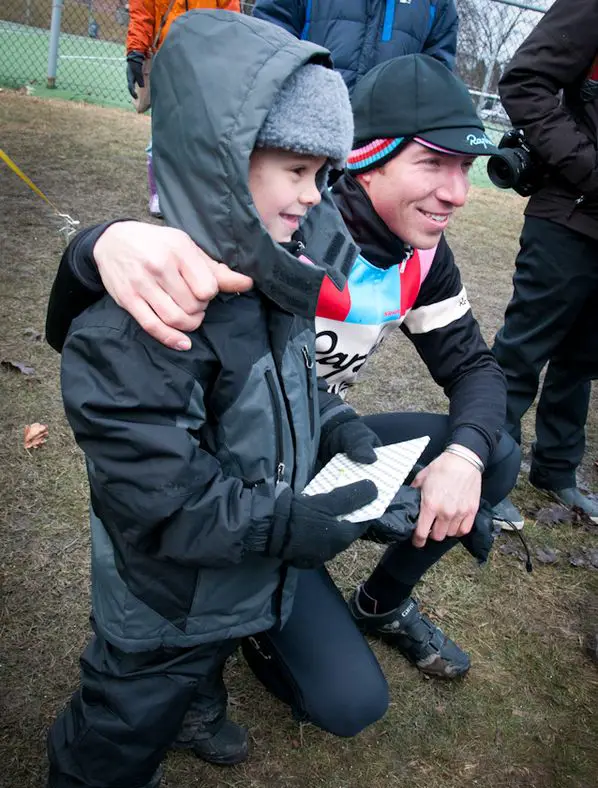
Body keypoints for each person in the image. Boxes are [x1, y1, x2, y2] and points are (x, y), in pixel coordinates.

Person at [47, 55, 521, 689]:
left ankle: (381, 602)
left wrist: (463, 459)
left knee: (494, 451)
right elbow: (179, 241)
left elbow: (477, 370)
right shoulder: (291, 220)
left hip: (323, 432)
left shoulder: (423, 255)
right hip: (241, 463)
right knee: (347, 701)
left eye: (464, 168)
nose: (457, 192)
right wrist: (99, 242)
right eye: (432, 163)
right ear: (368, 159)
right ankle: (252, 619)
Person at [46, 10, 388, 788]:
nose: (316, 195)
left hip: (226, 581)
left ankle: (197, 703)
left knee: (196, 662)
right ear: (221, 159)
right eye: (298, 170)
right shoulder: (143, 322)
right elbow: (164, 498)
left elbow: (286, 385)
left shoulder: (267, 281)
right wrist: (285, 528)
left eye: (323, 173)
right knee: (132, 699)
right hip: (164, 586)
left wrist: (337, 423)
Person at [491, 0, 598, 531]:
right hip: (570, 214)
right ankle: (488, 468)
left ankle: (556, 470)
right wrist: (589, 169)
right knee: (523, 348)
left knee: (583, 359)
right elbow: (524, 82)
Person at [126, 0, 241, 215]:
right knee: (164, 128)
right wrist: (136, 50)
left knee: (199, 129)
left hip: (207, 58)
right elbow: (142, 11)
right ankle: (159, 192)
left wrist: (230, 53)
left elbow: (231, 16)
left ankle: (190, 193)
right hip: (167, 55)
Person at [252, 0, 459, 89]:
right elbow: (270, 37)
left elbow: (434, 73)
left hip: (383, 147)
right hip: (303, 130)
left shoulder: (438, 4)